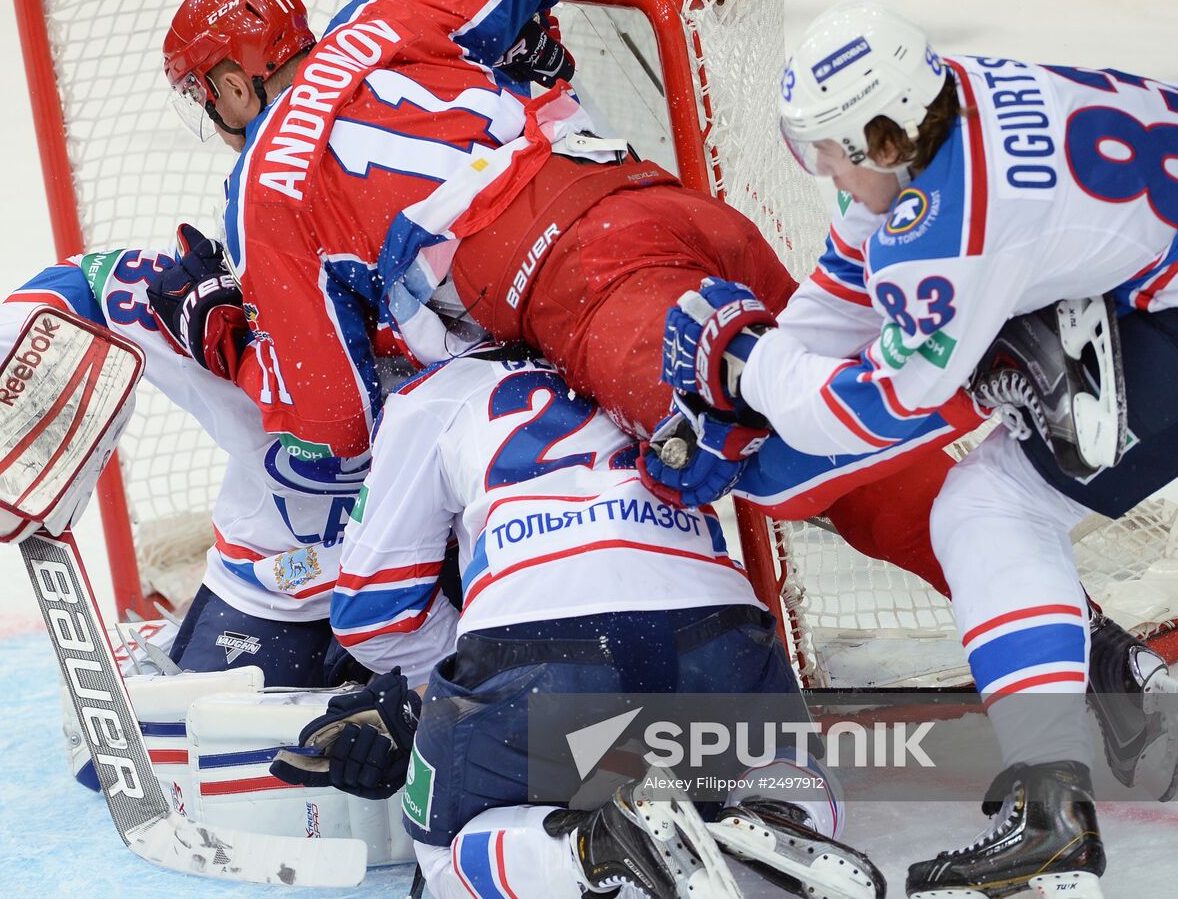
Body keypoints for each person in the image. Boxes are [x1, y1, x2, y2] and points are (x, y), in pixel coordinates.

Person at [155, 0, 972, 600]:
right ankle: (1064, 602)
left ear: (232, 83)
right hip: (674, 212)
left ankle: (1008, 394)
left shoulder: (264, 190)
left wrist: (229, 343)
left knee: (785, 453)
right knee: (866, 402)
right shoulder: (390, 18)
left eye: (204, 94)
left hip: (592, 290)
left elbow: (335, 424)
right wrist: (507, 37)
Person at [653, 0, 1178, 897]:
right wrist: (758, 387)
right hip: (1147, 283)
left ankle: (1052, 814)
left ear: (881, 139)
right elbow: (850, 293)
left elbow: (871, 412)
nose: (818, 167)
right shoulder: (944, 115)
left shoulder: (949, 229)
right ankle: (1091, 754)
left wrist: (749, 367)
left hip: (1157, 312)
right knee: (997, 431)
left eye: (827, 147)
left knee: (987, 507)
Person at [272, 343, 885, 899]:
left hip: (538, 649)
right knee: (792, 764)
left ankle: (596, 847)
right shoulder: (653, 348)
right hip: (714, 633)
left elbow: (371, 613)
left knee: (442, 853)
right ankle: (773, 813)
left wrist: (445, 697)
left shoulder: (432, 393)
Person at [0, 226, 388, 687]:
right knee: (187, 738)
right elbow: (54, 298)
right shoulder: (207, 317)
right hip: (269, 587)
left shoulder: (446, 330)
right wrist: (42, 389)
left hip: (424, 588)